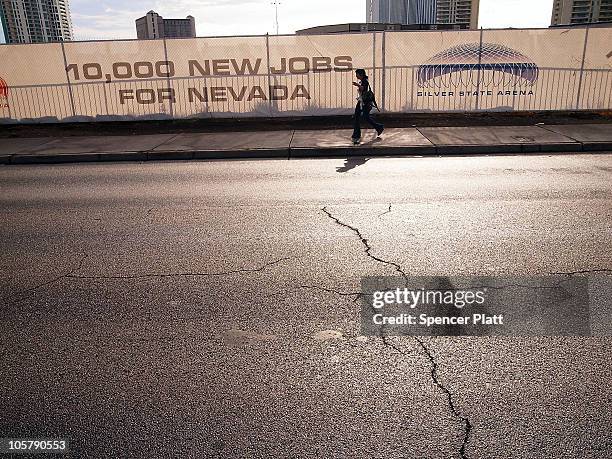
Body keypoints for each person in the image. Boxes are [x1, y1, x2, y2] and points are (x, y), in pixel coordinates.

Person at [351, 69, 384, 145]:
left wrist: (358, 85)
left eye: (357, 74)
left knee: (365, 117)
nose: (356, 76)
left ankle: (379, 127)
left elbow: (363, 88)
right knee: (357, 117)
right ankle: (356, 135)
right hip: (362, 102)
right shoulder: (363, 81)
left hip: (365, 103)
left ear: (361, 74)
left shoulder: (365, 81)